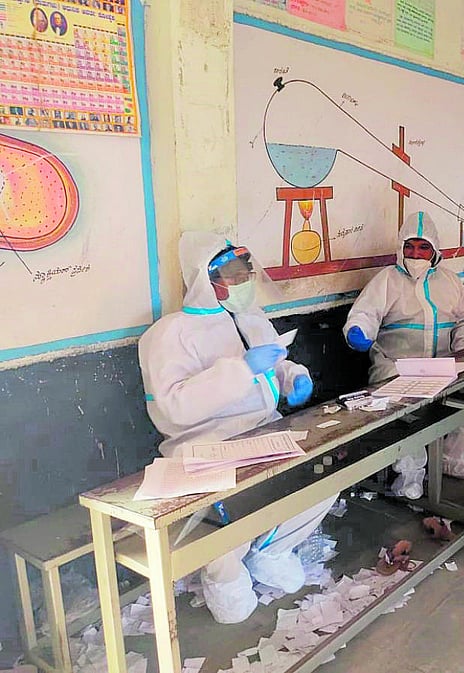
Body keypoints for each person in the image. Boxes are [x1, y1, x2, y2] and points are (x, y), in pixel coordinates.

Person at [139, 231, 337, 624]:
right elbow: (173, 406)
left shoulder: (251, 319)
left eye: (245, 272)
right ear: (204, 279)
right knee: (226, 527)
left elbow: (275, 362)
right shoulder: (169, 334)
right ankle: (225, 580)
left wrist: (292, 376)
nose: (243, 280)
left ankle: (272, 552)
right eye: (232, 274)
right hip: (206, 445)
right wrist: (241, 370)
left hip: (265, 431)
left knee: (323, 478)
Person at [343, 211, 464, 497]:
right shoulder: (386, 280)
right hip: (396, 366)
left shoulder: (450, 280)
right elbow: (365, 313)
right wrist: (357, 331)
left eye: (423, 247)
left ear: (435, 250)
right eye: (410, 247)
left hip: (444, 366)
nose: (415, 254)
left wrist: (463, 346)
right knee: (407, 415)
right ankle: (410, 474)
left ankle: (450, 457)